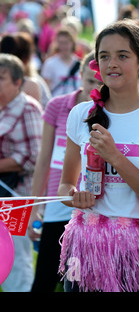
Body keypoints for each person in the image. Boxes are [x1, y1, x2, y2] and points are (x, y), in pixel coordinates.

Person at [57, 19, 139, 292]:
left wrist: (115, 157)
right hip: (84, 249)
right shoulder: (80, 114)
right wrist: (74, 196)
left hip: (137, 250)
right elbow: (65, 184)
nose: (112, 63)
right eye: (104, 56)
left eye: (122, 56)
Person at [27, 51, 101, 292]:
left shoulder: (109, 110)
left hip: (92, 208)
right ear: (79, 75)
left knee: (80, 281)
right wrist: (34, 208)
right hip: (58, 205)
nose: (94, 87)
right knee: (45, 279)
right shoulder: (59, 106)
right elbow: (43, 160)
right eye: (90, 80)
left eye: (100, 82)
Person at [0, 53, 43, 291]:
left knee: (17, 262)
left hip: (18, 200)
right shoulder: (2, 108)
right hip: (3, 193)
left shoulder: (28, 108)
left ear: (17, 82)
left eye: (1, 77)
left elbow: (34, 156)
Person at [40, 27, 81, 97]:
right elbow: (46, 90)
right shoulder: (50, 63)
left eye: (66, 42)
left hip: (76, 102)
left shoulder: (80, 63)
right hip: (58, 103)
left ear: (72, 43)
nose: (64, 46)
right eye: (61, 43)